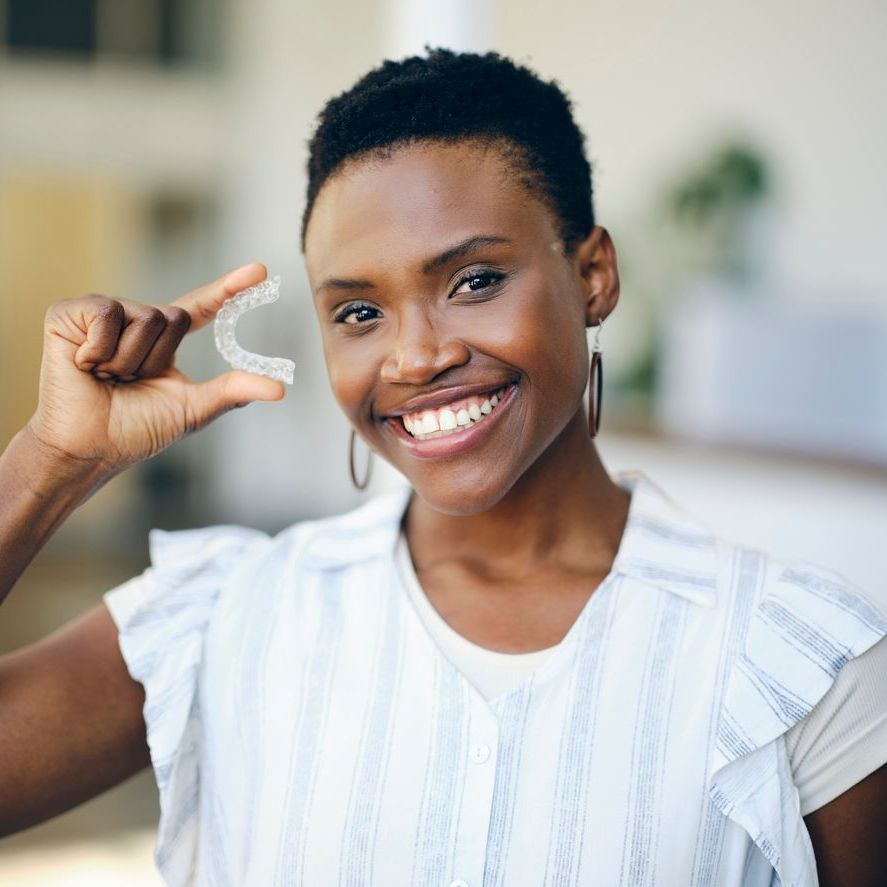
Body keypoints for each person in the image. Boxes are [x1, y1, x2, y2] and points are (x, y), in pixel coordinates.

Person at [0, 47, 884, 887]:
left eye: (473, 282)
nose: (414, 358)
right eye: (357, 312)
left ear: (594, 275)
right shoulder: (224, 613)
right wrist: (53, 459)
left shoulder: (798, 662)